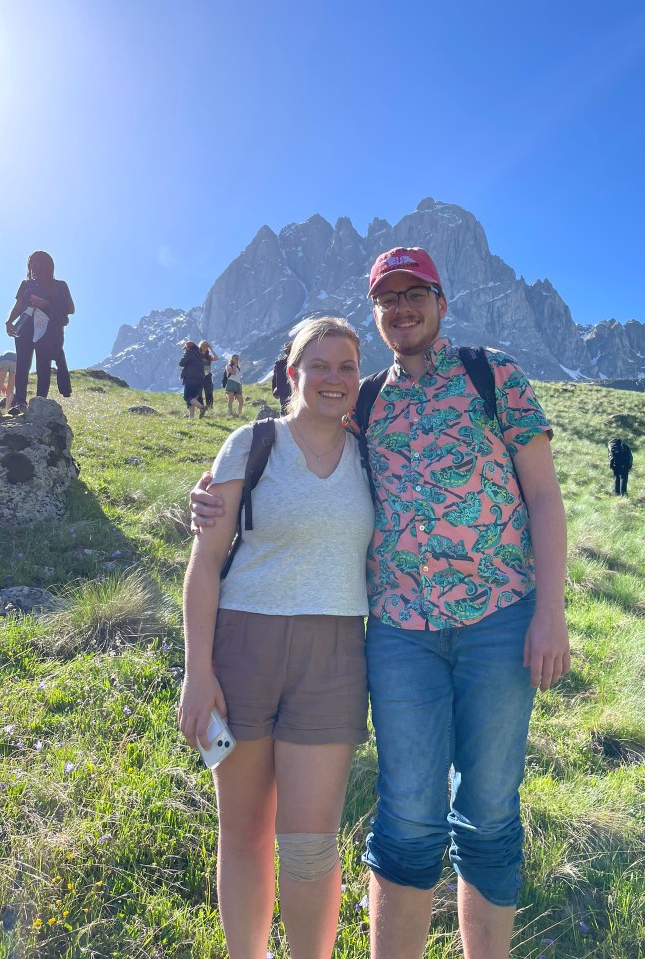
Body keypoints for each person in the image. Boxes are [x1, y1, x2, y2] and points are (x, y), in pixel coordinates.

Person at [191, 247, 571, 959]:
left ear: (440, 301)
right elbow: (287, 455)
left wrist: (551, 610)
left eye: (415, 293)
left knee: (489, 812)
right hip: (400, 634)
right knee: (407, 816)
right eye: (387, 298)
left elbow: (545, 496)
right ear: (377, 313)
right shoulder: (365, 402)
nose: (402, 307)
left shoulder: (495, 378)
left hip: (500, 621)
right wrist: (208, 497)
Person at [178, 316, 374, 959]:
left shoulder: (372, 454)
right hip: (241, 650)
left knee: (311, 840)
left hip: (336, 655)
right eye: (319, 365)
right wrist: (196, 672)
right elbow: (204, 563)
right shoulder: (251, 442)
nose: (334, 379)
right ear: (292, 372)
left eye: (347, 367)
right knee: (244, 833)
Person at [4, 251, 75, 414]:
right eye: (31, 263)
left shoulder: (60, 285)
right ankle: (19, 402)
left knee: (43, 365)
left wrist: (48, 303)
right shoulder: (25, 285)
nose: (33, 266)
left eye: (37, 262)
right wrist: (9, 322)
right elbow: (19, 305)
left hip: (48, 330)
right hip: (25, 327)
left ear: (47, 265)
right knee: (22, 364)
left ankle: (39, 404)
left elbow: (71, 309)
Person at [179, 341, 207, 419]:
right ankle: (191, 418)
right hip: (200, 380)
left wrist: (185, 354)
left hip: (191, 378)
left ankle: (202, 408)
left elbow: (181, 363)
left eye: (186, 348)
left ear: (188, 347)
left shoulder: (189, 352)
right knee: (192, 398)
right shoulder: (200, 354)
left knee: (187, 397)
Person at [271, 341, 293, 415]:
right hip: (286, 391)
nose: (289, 352)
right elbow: (275, 378)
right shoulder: (279, 363)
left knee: (285, 411)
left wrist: (275, 389)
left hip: (286, 391)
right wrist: (274, 389)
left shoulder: (280, 363)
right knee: (286, 411)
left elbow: (274, 378)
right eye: (288, 350)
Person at [199, 341, 219, 409]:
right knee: (199, 393)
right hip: (198, 376)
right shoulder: (197, 355)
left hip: (207, 376)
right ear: (200, 346)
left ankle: (209, 407)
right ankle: (201, 408)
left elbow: (216, 358)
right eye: (203, 345)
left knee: (209, 392)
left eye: (206, 345)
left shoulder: (209, 356)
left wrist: (211, 349)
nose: (204, 347)